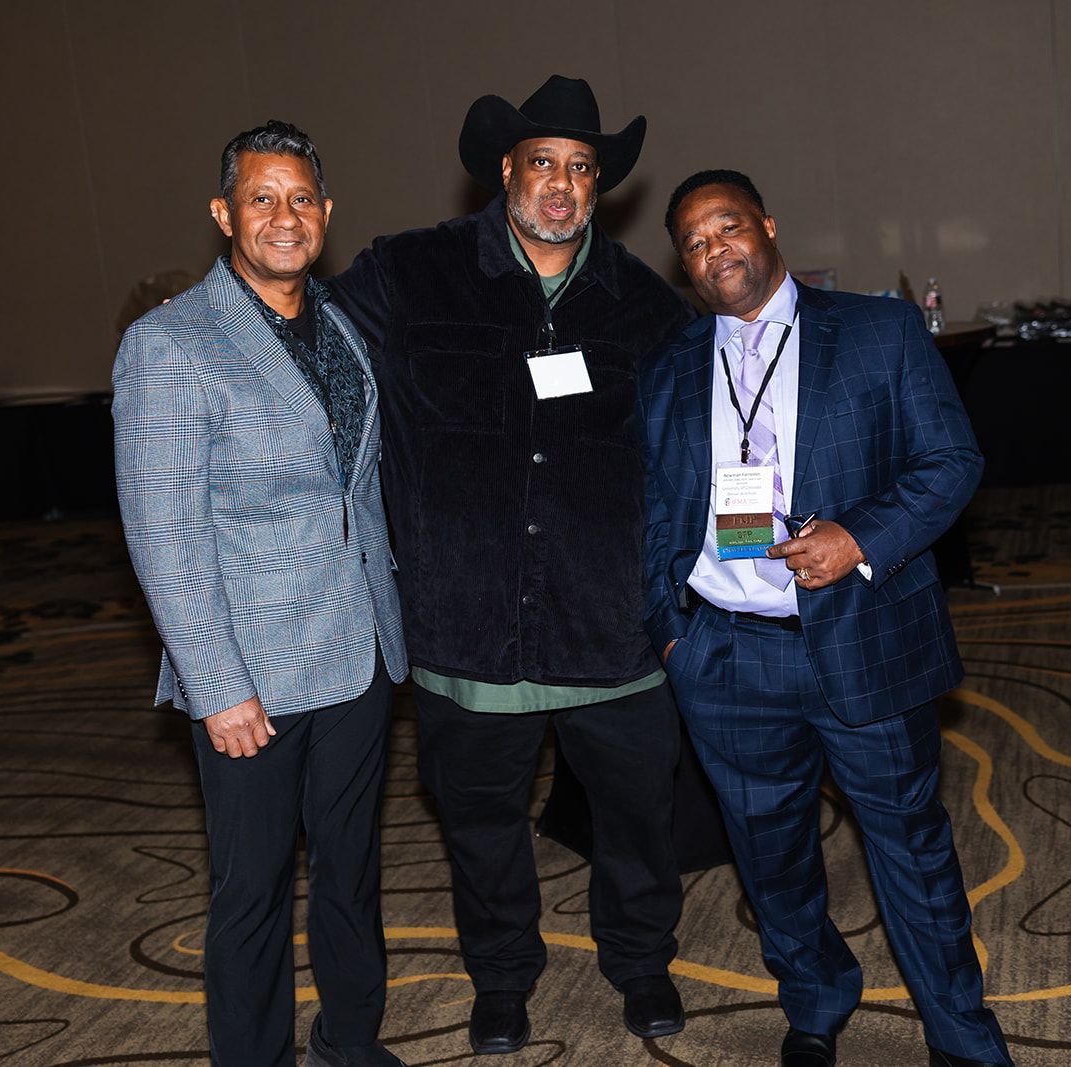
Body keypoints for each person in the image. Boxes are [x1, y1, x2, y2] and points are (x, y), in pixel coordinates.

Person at [329, 75, 695, 1055]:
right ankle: (500, 976)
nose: (562, 186)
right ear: (506, 170)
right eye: (543, 163)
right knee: (480, 823)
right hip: (469, 622)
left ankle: (641, 959)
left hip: (609, 623)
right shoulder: (412, 273)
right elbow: (311, 355)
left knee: (637, 815)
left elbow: (702, 444)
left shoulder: (644, 305)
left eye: (581, 168)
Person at [641, 170, 1014, 1067]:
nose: (714, 250)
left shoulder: (878, 330)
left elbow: (952, 461)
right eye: (693, 242)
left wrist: (859, 538)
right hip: (725, 654)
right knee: (769, 859)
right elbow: (652, 508)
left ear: (767, 226)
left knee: (912, 849)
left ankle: (961, 1037)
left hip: (862, 633)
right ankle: (814, 1000)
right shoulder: (671, 365)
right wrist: (672, 630)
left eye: (727, 226)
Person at [112, 120, 408, 1067]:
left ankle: (351, 1045)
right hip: (253, 678)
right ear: (223, 212)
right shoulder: (170, 344)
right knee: (252, 894)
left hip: (359, 651)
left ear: (326, 211)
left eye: (302, 198)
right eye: (261, 198)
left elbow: (356, 489)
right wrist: (217, 684)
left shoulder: (339, 323)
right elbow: (164, 535)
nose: (285, 217)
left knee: (352, 875)